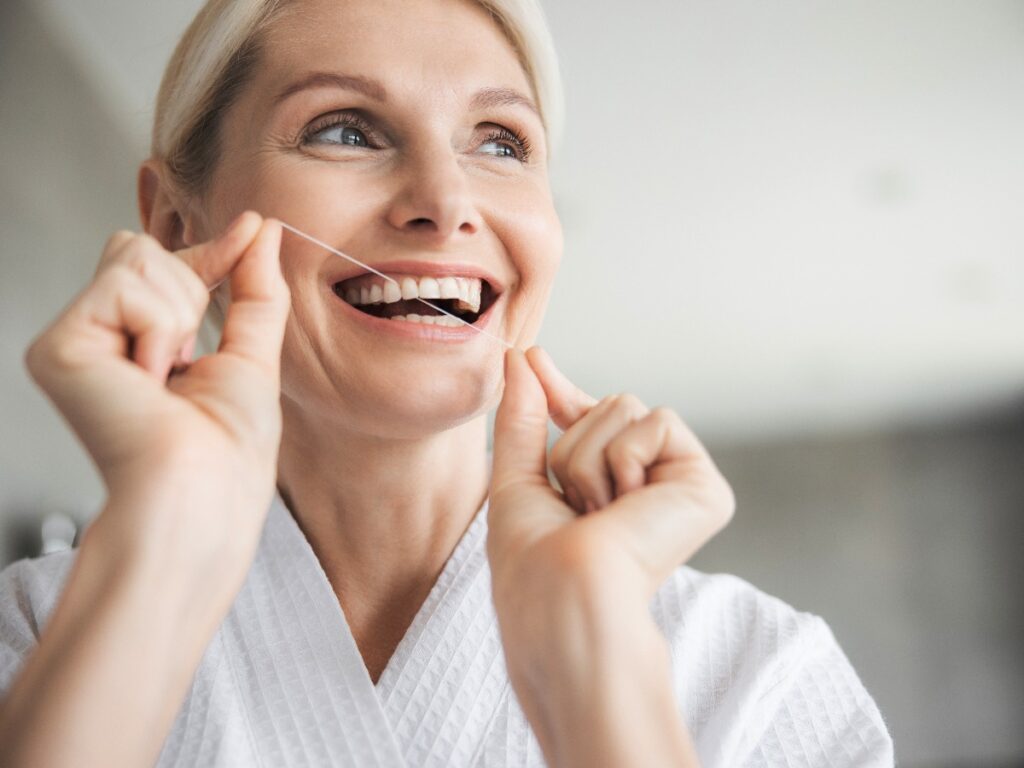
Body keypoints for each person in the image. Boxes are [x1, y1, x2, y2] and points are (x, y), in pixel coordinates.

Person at [0, 0, 894, 765]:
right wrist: (162, 550)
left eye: (500, 142)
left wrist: (596, 666)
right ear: (171, 222)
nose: (445, 198)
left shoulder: (759, 672)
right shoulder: (32, 633)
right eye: (344, 129)